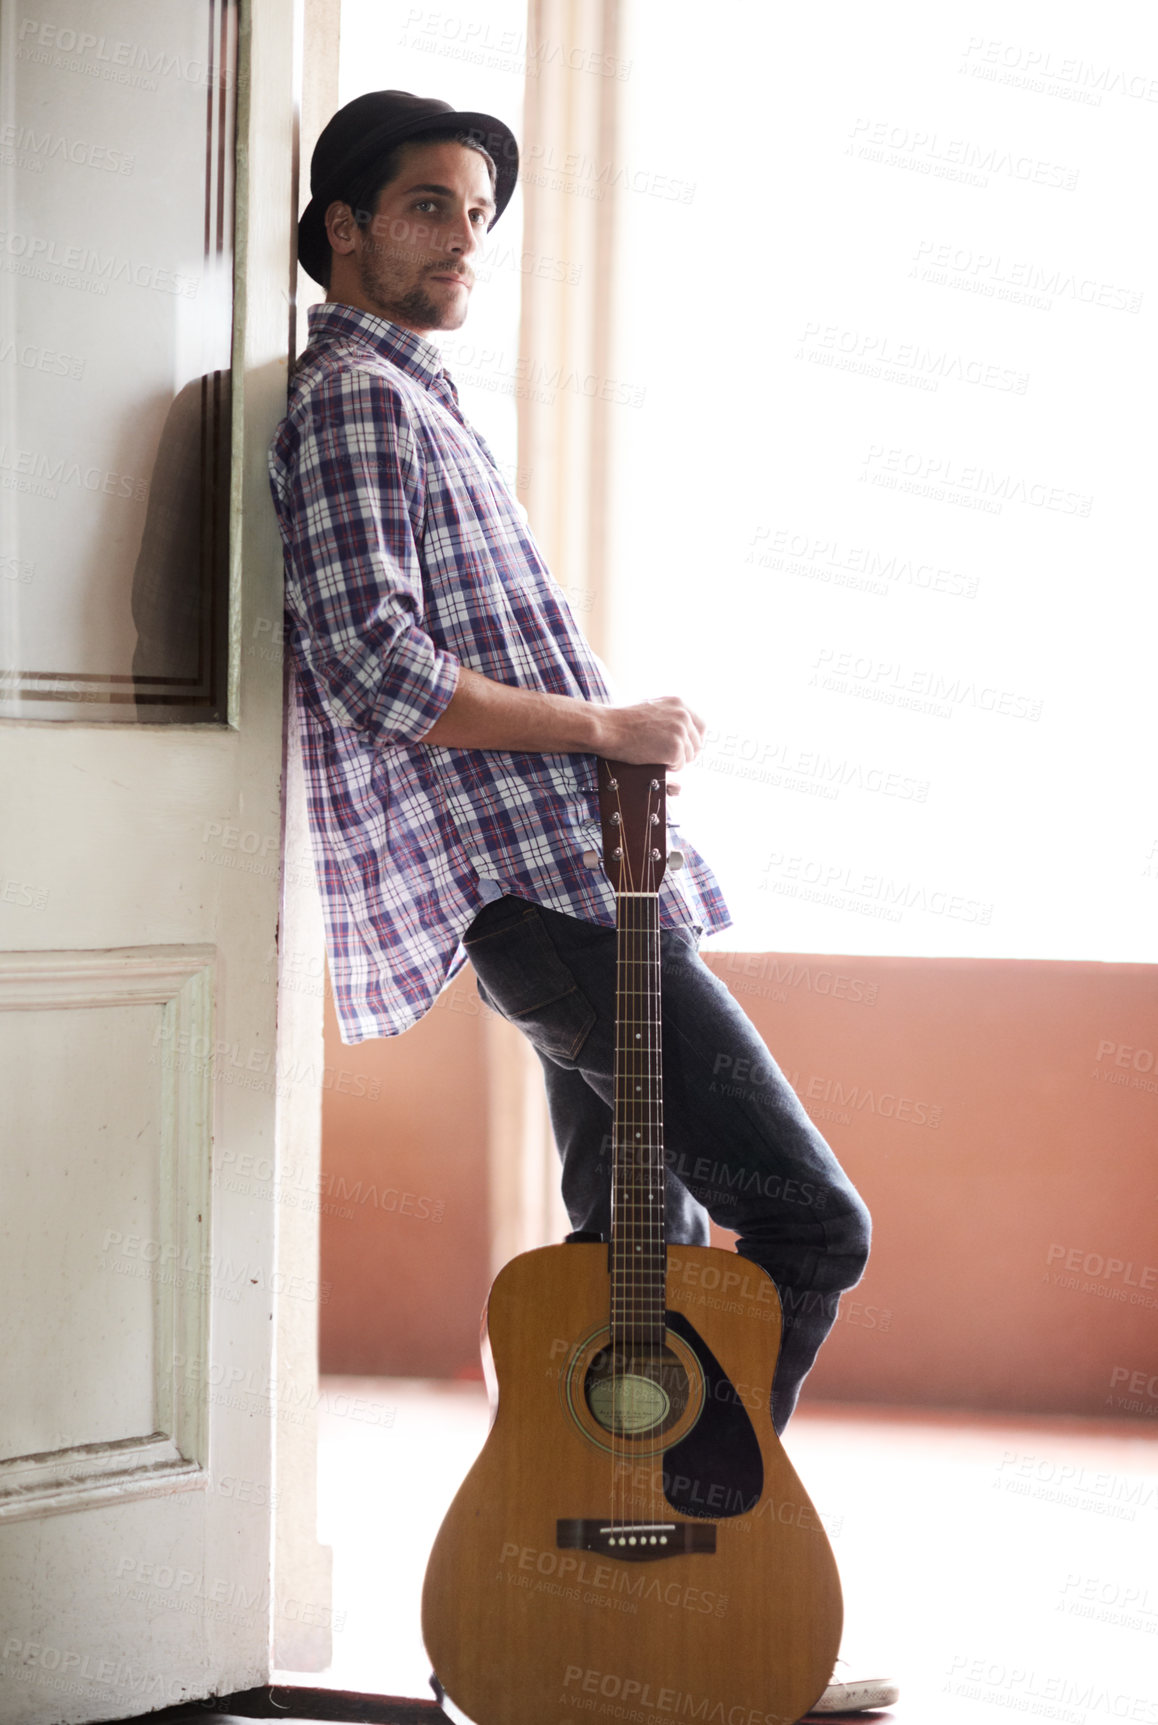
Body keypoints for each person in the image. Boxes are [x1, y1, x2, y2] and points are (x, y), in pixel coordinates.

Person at [268, 90, 894, 1717]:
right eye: (424, 207)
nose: (460, 237)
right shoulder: (355, 405)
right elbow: (373, 664)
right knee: (813, 1222)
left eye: (475, 212)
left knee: (639, 1254)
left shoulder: (423, 401)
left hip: (585, 886)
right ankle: (715, 1577)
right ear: (342, 226)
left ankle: (620, 1636)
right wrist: (609, 728)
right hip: (549, 902)